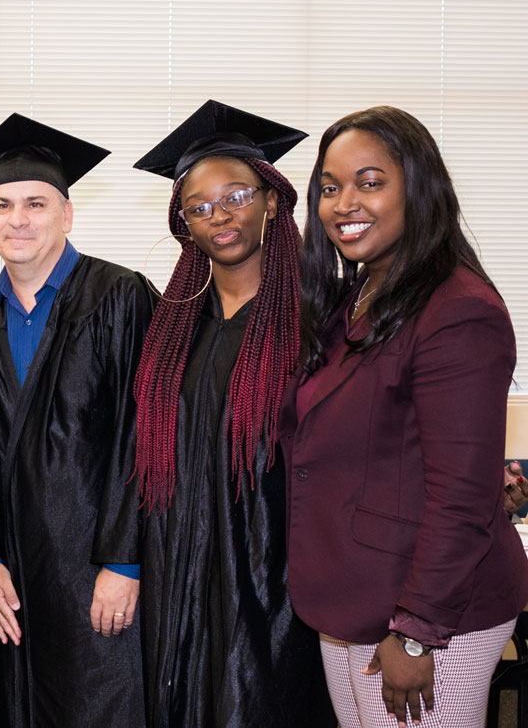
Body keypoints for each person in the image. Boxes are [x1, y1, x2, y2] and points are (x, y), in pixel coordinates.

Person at [285, 105, 528, 728]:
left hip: (429, 608)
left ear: (417, 188)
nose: (344, 203)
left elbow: (464, 496)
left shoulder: (457, 311)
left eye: (370, 182)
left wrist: (418, 633)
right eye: (331, 188)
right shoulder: (355, 298)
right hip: (353, 593)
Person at [129, 100, 333, 727]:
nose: (220, 215)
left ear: (273, 200)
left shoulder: (320, 316)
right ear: (183, 223)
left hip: (277, 576)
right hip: (182, 568)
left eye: (237, 195)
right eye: (200, 206)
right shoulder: (172, 327)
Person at [0, 113, 149, 727]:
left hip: (95, 564)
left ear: (67, 213)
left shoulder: (120, 295)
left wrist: (124, 562)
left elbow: (143, 432)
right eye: (3, 204)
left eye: (36, 203)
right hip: (12, 567)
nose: (18, 219)